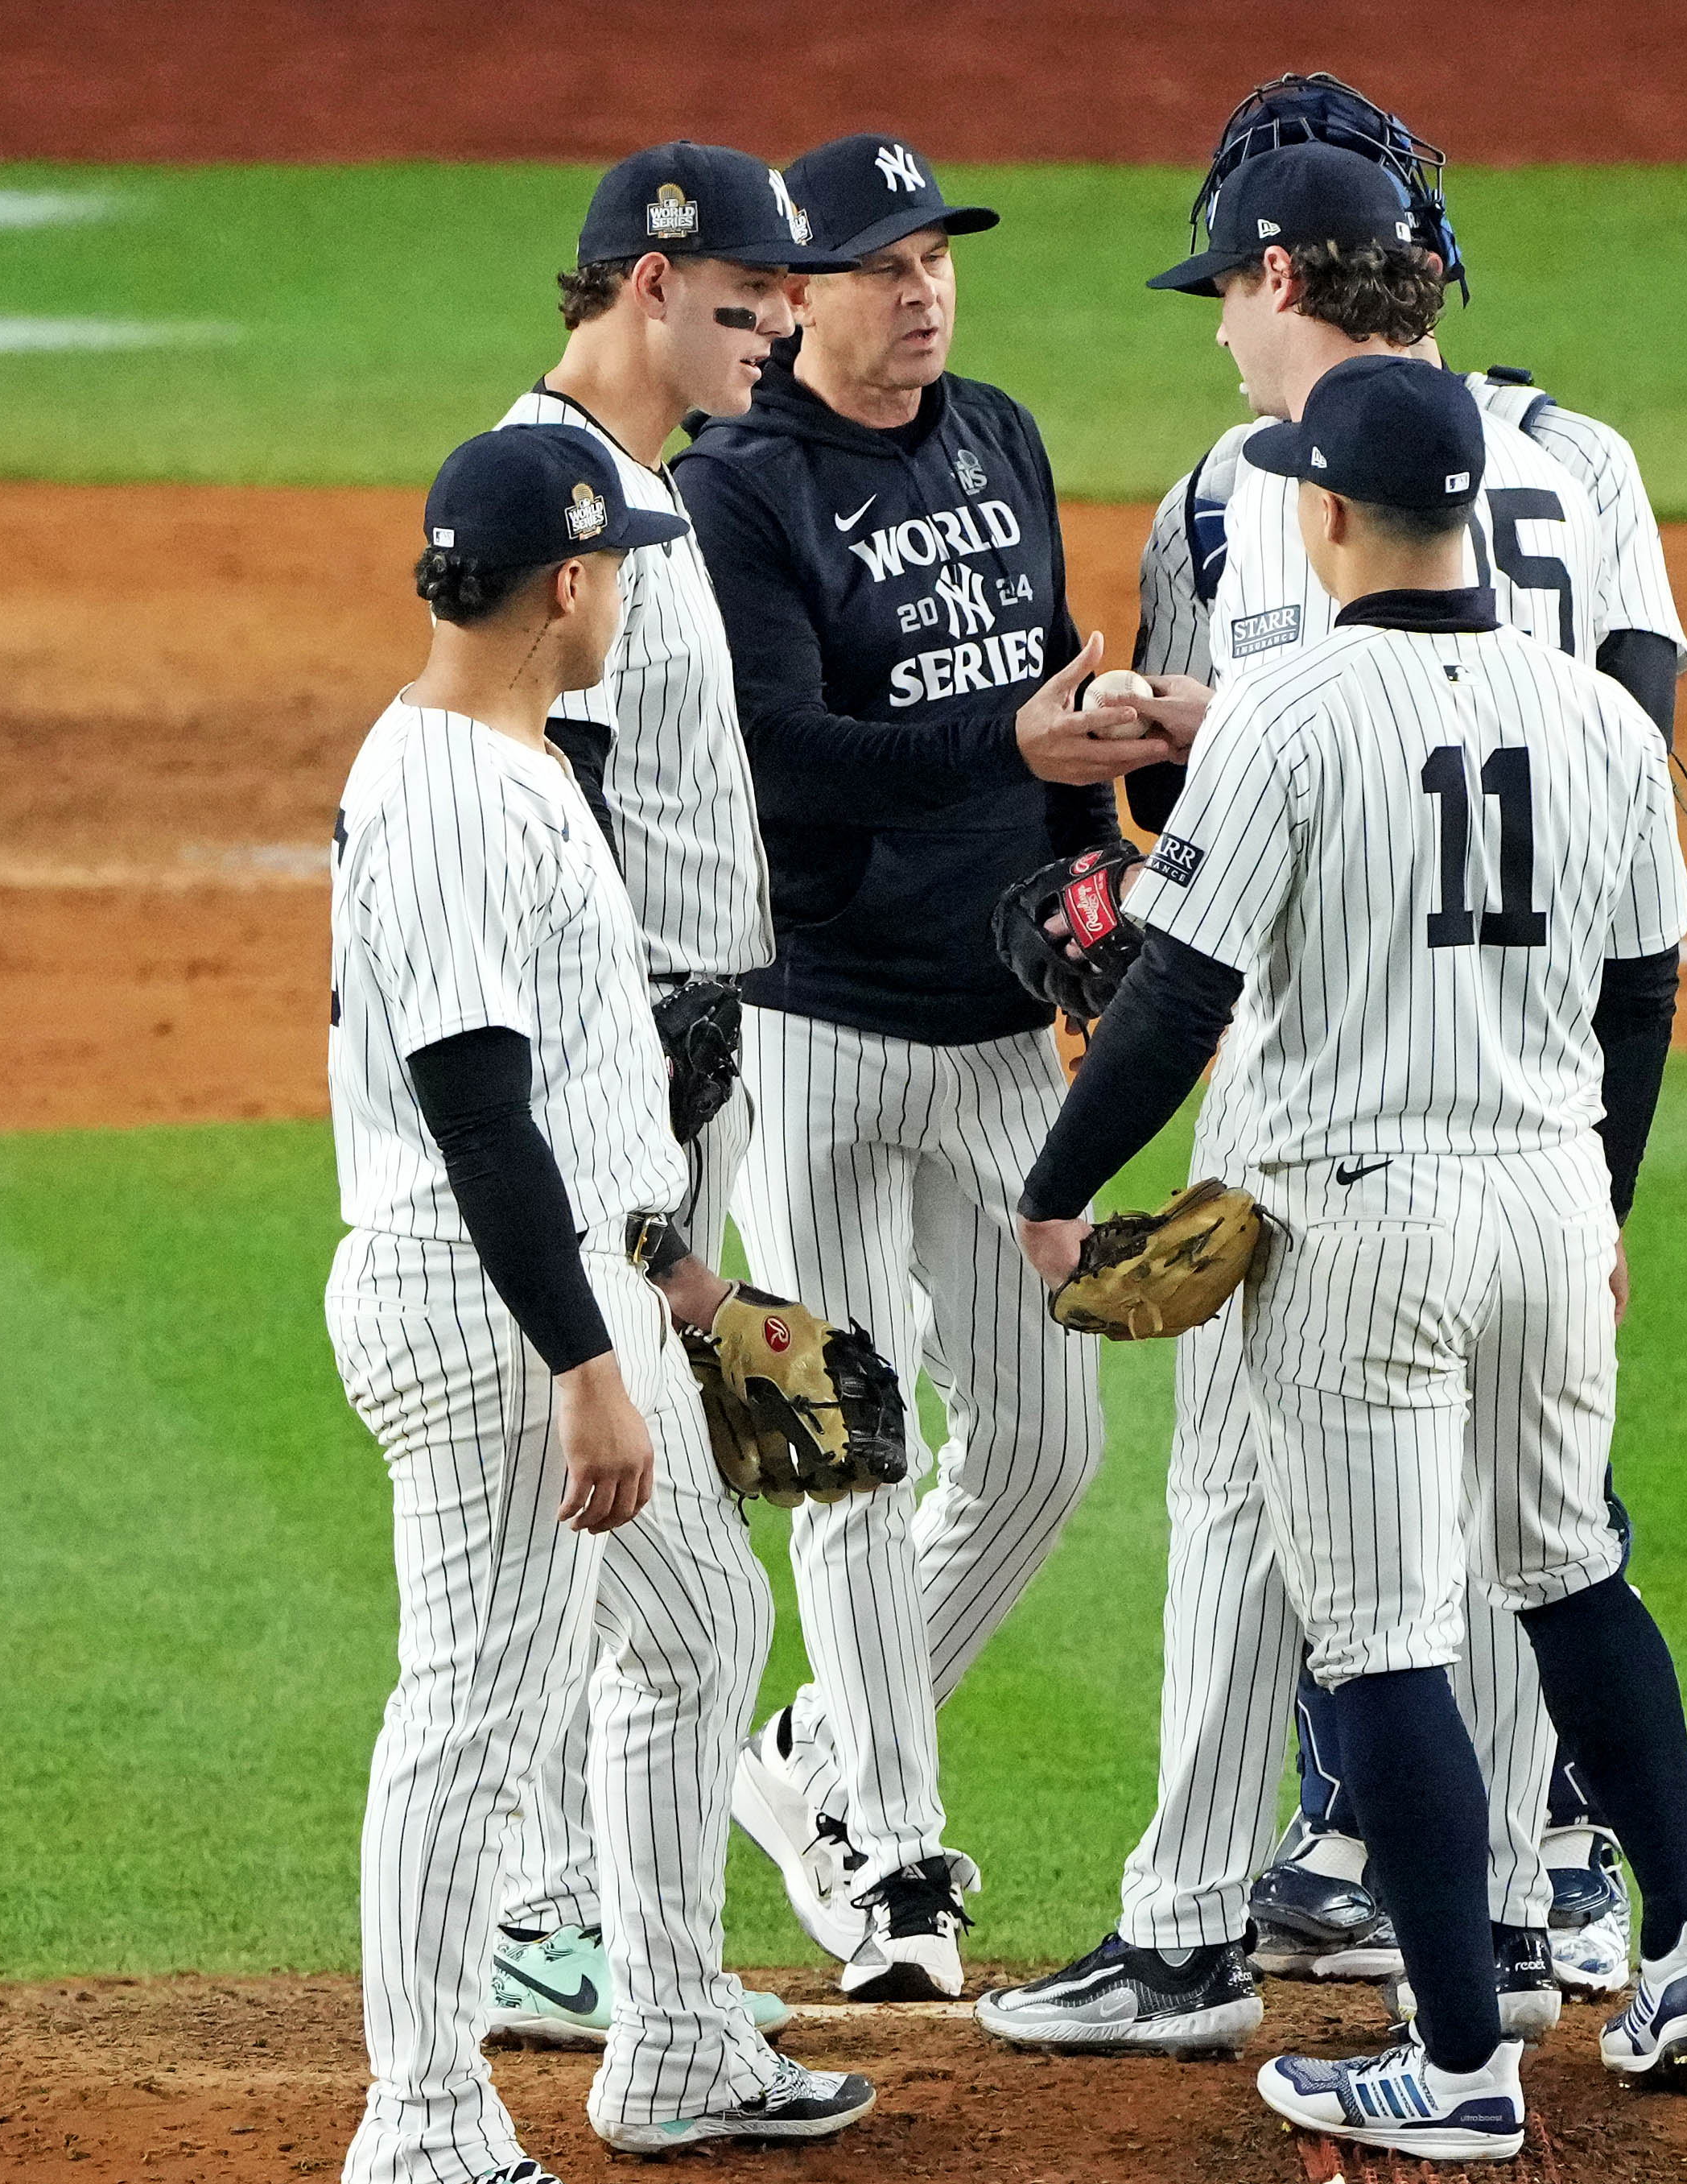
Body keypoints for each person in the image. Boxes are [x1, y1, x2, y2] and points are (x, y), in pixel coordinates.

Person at [1006, 357, 1687, 2153]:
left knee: (1388, 1627)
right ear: (1471, 508)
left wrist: (1061, 1179)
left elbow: (1181, 989)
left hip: (1361, 1216)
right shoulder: (1599, 720)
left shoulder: (1289, 705)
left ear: (1324, 513)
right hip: (1556, 1200)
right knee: (1571, 1572)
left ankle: (1464, 2061)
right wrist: (1611, 1199)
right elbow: (1643, 997)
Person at [1158, 70, 1687, 2004]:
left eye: (1228, 282)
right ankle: (1551, 1880)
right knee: (1538, 1514)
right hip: (1546, 1040)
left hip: (1330, 1064)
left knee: (1289, 1491)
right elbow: (1640, 734)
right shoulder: (1597, 460)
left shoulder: (1262, 483)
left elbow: (1263, 805)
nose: (1221, 319)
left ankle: (1234, 1908)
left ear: (1287, 270)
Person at [327, 426, 872, 2184]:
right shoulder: (457, 794)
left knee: (704, 1617)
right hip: (489, 1302)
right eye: (618, 567)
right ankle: (419, 2117)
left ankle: (670, 2034)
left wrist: (684, 1294)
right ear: (564, 584)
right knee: (470, 1708)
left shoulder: (510, 761)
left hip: (574, 1278)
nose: (630, 591)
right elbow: (479, 1111)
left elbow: (579, 1095)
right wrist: (584, 1361)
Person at [672, 130, 1169, 2001]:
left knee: (1050, 1436)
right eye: (882, 262)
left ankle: (808, 1753)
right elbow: (789, 756)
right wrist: (1007, 747)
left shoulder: (1003, 438)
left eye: (939, 254)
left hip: (991, 1020)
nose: (924, 288)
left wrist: (1099, 847)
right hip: (809, 1017)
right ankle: (891, 1855)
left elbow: (1045, 687)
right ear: (798, 294)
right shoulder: (742, 490)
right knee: (854, 1435)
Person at [480, 141, 850, 2055]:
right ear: (644, 285)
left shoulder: (645, 486)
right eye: (744, 301)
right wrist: (635, 1038)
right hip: (626, 1073)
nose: (781, 326)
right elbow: (565, 814)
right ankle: (547, 1920)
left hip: (675, 1068)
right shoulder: (567, 495)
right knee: (615, 1508)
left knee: (633, 1504)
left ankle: (572, 1923)